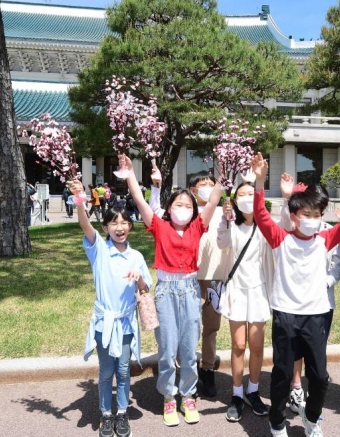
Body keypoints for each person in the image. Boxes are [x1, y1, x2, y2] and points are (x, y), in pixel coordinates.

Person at [250, 152, 340, 437]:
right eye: (307, 215)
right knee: (282, 373)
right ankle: (277, 422)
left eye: (318, 215)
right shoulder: (280, 238)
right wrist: (260, 181)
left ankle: (312, 417)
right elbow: (260, 215)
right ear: (293, 217)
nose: (313, 220)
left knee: (319, 376)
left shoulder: (324, 239)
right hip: (285, 313)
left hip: (316, 315)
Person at [120, 153, 222, 427]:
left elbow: (212, 201)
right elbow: (141, 202)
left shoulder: (198, 227)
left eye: (188, 205)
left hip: (189, 290)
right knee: (166, 350)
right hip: (165, 291)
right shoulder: (159, 226)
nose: (183, 208)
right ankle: (168, 397)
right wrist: (131, 175)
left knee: (189, 349)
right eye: (178, 204)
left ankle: (188, 396)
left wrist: (223, 178)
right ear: (169, 207)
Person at [69, 180, 151, 437]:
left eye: (124, 222)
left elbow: (145, 288)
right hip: (105, 322)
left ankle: (122, 412)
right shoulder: (99, 251)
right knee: (106, 371)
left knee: (124, 369)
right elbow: (84, 224)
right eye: (113, 223)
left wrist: (138, 277)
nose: (119, 227)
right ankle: (106, 414)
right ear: (105, 227)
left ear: (130, 226)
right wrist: (80, 198)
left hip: (126, 322)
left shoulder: (136, 256)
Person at [149, 170, 231, 399]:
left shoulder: (222, 211)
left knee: (211, 326)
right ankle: (179, 373)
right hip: (190, 279)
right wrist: (155, 187)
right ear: (193, 189)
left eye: (211, 183)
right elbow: (156, 213)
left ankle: (207, 369)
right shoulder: (186, 214)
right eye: (202, 183)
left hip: (215, 277)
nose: (207, 186)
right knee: (182, 332)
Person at [278, 173, 340, 416]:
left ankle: (311, 394)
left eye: (321, 209)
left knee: (315, 351)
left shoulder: (328, 232)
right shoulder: (296, 226)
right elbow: (286, 224)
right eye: (312, 209)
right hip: (295, 302)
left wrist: (325, 283)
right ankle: (296, 387)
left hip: (322, 301)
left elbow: (338, 263)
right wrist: (287, 197)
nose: (316, 213)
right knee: (295, 349)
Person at [216, 181, 274, 422]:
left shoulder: (266, 225)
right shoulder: (232, 224)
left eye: (252, 193)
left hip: (259, 291)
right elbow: (222, 243)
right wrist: (224, 219)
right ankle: (237, 394)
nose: (248, 198)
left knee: (257, 345)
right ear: (236, 199)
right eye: (242, 194)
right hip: (237, 290)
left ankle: (253, 390)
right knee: (239, 345)